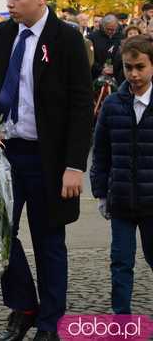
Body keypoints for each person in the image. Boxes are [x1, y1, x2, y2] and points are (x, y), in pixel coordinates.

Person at [0, 0, 93, 341]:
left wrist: (75, 165)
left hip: (50, 159)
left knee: (49, 242)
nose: (9, 3)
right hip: (6, 154)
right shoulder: (1, 36)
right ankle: (24, 306)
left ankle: (51, 323)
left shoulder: (67, 39)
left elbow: (80, 107)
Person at [90, 35, 153, 316]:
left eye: (140, 67)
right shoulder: (113, 104)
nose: (134, 74)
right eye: (128, 67)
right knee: (121, 261)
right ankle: (121, 317)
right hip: (122, 200)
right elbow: (100, 152)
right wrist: (101, 192)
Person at [89, 14, 124, 80]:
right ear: (103, 26)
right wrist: (101, 70)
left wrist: (115, 69)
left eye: (113, 29)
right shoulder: (92, 38)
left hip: (117, 76)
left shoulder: (122, 37)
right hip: (96, 76)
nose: (111, 32)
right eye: (108, 29)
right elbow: (89, 58)